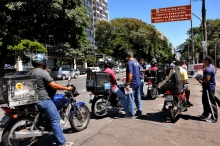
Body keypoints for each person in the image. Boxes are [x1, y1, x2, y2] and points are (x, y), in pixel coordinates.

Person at [31, 54, 74, 146]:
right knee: (55, 119)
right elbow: (54, 85)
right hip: (44, 99)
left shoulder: (32, 72)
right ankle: (62, 143)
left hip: (35, 98)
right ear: (42, 62)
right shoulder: (42, 72)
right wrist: (67, 88)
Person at [196, 56, 218, 123]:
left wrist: (199, 78)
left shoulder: (208, 69)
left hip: (209, 88)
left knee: (210, 103)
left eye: (204, 60)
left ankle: (214, 118)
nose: (203, 62)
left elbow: (207, 80)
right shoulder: (211, 67)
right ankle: (205, 114)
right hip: (207, 88)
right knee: (205, 102)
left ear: (207, 61)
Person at [125, 51, 142, 118]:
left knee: (130, 99)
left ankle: (131, 114)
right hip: (137, 83)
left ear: (128, 57)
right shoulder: (137, 63)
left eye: (126, 57)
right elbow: (141, 70)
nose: (126, 58)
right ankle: (139, 111)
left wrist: (128, 84)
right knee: (138, 97)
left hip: (131, 84)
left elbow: (130, 74)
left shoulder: (129, 63)